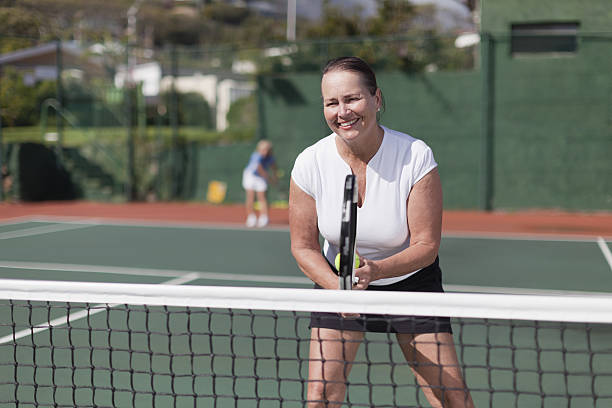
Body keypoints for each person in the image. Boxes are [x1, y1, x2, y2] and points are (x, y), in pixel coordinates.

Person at [289, 57, 474, 407]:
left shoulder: (414, 155)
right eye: (332, 103)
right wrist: (339, 288)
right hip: (338, 285)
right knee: (320, 396)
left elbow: (426, 245)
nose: (342, 111)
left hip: (411, 285)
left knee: (451, 398)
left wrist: (376, 272)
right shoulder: (309, 163)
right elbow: (303, 246)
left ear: (376, 99)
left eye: (352, 99)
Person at [242, 139, 277, 227]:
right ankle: (251, 217)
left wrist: (275, 177)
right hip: (250, 176)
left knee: (262, 197)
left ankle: (264, 217)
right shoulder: (256, 156)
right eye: (262, 150)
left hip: (261, 178)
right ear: (259, 149)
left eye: (266, 150)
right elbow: (260, 169)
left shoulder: (271, 157)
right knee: (250, 196)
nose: (264, 152)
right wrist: (270, 179)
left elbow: (274, 167)